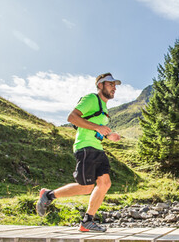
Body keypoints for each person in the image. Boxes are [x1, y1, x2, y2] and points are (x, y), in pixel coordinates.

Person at [36, 73, 122, 232]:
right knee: (86, 187)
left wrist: (109, 136)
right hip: (85, 148)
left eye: (115, 85)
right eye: (110, 84)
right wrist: (98, 127)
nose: (114, 87)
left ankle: (88, 220)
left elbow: (96, 129)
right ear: (100, 85)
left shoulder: (104, 108)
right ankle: (48, 195)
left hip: (97, 148)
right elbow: (72, 117)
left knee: (105, 183)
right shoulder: (91, 99)